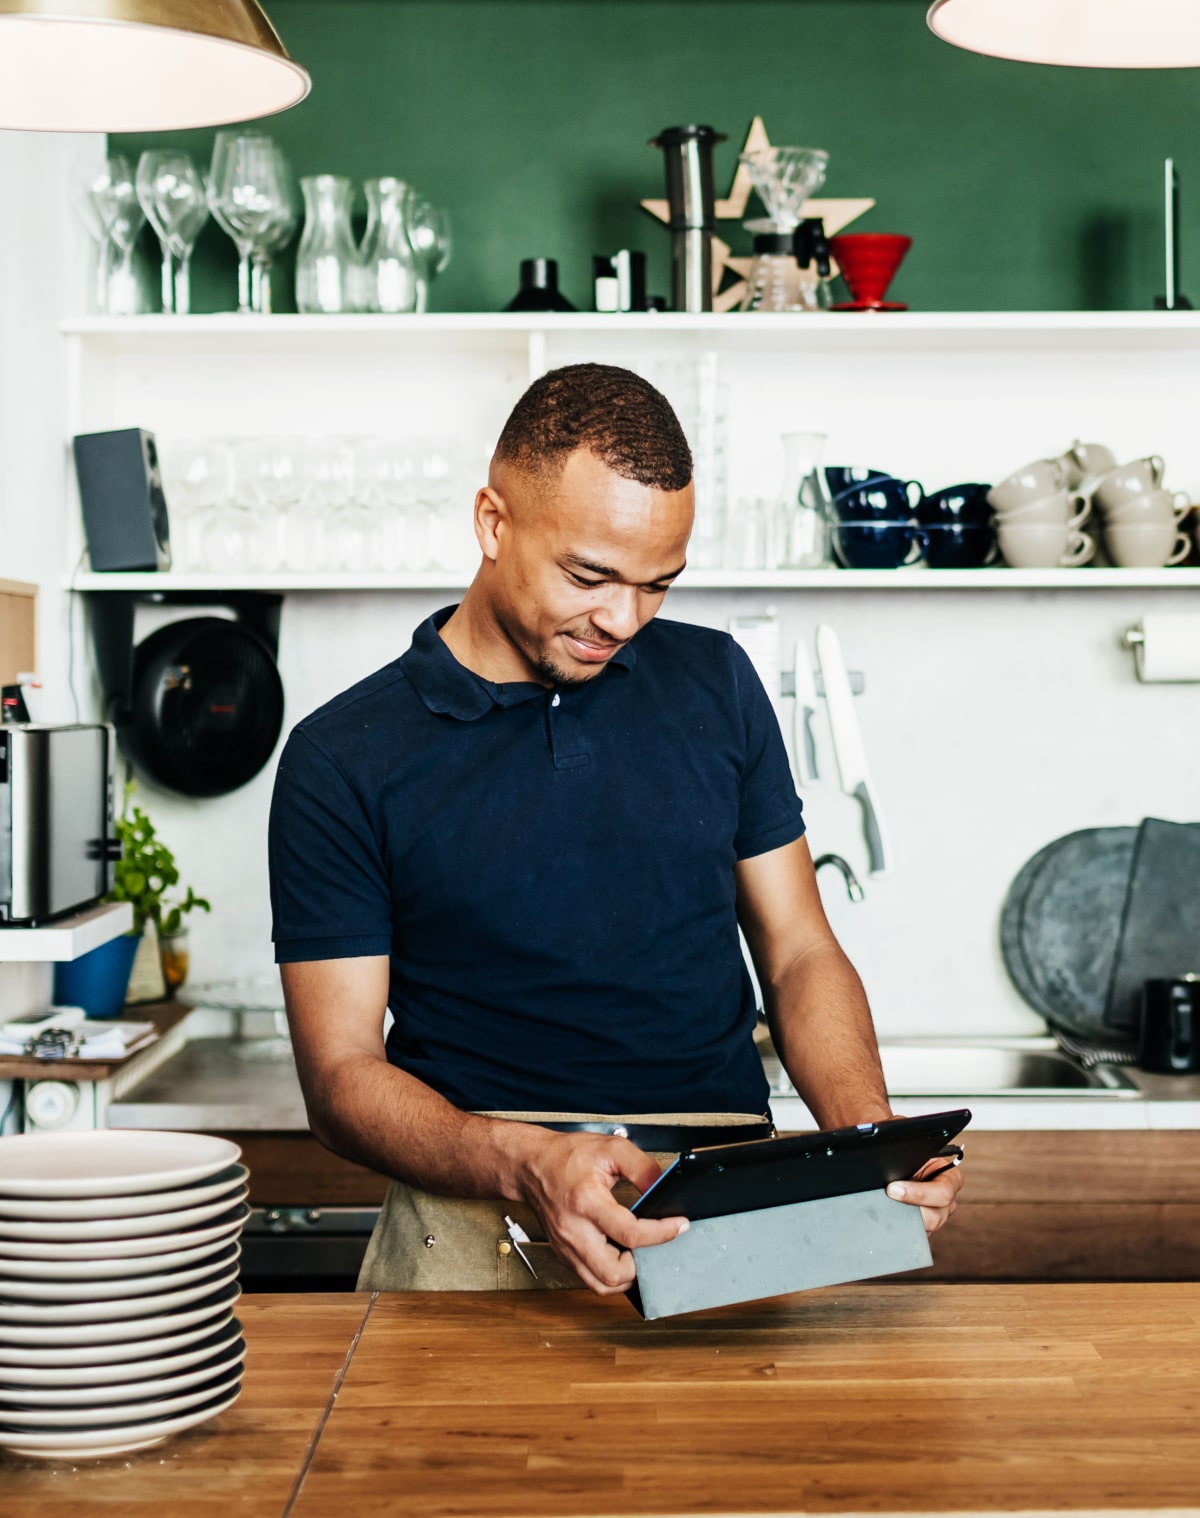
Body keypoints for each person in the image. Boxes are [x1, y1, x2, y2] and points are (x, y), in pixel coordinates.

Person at [268, 363, 962, 1296]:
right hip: (475, 1220)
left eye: (658, 586)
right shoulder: (342, 754)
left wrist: (869, 1134)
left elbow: (798, 951)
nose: (622, 619)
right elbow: (341, 1078)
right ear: (492, 523)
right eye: (590, 575)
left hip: (721, 1206)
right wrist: (526, 1163)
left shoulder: (717, 682)